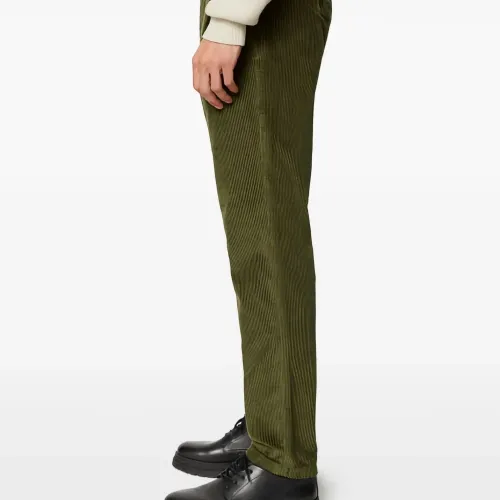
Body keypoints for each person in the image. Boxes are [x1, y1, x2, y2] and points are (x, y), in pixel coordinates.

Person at [166, 0, 331, 498]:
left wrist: (229, 20)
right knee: (260, 232)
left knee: (266, 239)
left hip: (265, 16)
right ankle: (269, 425)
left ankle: (282, 459)